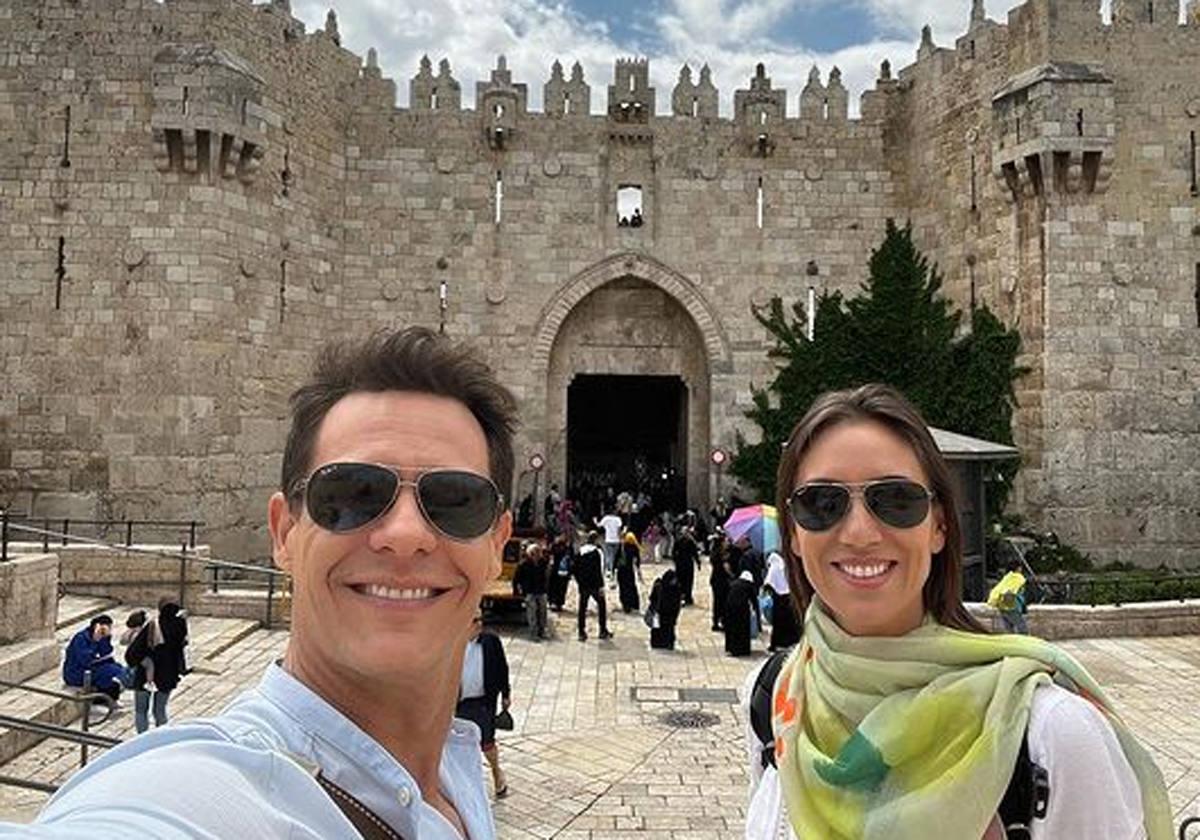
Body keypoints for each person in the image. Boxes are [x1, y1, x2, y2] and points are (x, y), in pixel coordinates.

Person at [10, 327, 515, 837]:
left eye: (456, 500)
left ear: (497, 543)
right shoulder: (205, 797)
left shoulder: (457, 767)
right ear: (284, 531)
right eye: (351, 494)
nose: (405, 534)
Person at [743, 383, 1172, 840]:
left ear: (939, 527)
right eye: (821, 503)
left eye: (896, 500)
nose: (859, 532)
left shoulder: (1053, 735)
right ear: (792, 533)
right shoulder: (777, 698)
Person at [455, 612, 511, 800]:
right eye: (474, 620)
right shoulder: (451, 641)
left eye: (480, 620)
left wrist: (506, 694)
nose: (479, 624)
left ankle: (496, 772)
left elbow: (502, 667)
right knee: (458, 744)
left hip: (483, 701)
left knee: (487, 742)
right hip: (458, 703)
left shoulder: (490, 641)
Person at [62, 615, 126, 702]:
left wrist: (105, 638)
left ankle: (109, 692)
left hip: (90, 667)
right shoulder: (80, 638)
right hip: (76, 672)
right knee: (109, 671)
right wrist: (95, 640)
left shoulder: (101, 636)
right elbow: (85, 660)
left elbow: (106, 652)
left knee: (117, 667)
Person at [573, 531, 612, 642]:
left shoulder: (580, 551)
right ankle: (602, 630)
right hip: (594, 585)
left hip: (583, 584)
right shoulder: (597, 552)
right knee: (602, 605)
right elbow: (598, 570)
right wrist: (601, 586)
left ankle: (581, 631)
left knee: (582, 607)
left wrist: (579, 581)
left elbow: (575, 568)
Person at [763, 550, 800, 651]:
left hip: (778, 601)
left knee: (778, 624)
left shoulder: (774, 568)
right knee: (790, 622)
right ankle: (790, 641)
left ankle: (776, 643)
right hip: (788, 598)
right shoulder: (785, 567)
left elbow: (768, 584)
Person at [513, 542, 550, 640]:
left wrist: (547, 589)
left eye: (538, 552)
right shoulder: (523, 564)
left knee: (543, 613)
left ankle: (542, 631)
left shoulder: (543, 562)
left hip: (541, 590)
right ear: (530, 554)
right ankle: (533, 633)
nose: (537, 555)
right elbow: (516, 579)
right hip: (529, 591)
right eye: (534, 553)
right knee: (532, 613)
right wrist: (516, 591)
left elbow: (546, 577)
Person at [988, 558, 1030, 634]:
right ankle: (1024, 643)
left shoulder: (1006, 577)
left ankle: (1011, 642)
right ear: (1018, 568)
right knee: (1022, 627)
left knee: (1009, 628)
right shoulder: (1019, 578)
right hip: (1012, 605)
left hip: (1002, 605)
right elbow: (1019, 593)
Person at [723, 569, 759, 657]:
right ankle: (742, 649)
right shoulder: (749, 585)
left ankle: (731, 648)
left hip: (730, 608)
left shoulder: (734, 583)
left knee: (732, 628)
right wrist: (756, 612)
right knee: (742, 629)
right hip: (742, 609)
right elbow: (754, 600)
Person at [647, 569, 682, 650]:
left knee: (669, 628)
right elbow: (653, 598)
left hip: (670, 613)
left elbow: (677, 603)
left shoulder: (676, 589)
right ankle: (658, 643)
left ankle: (667, 643)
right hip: (660, 612)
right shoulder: (659, 586)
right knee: (658, 629)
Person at [709, 530, 733, 631]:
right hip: (720, 581)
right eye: (725, 541)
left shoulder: (717, 553)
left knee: (718, 602)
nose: (727, 542)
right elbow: (725, 568)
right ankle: (720, 621)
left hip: (716, 580)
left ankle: (718, 621)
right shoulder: (719, 555)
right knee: (721, 602)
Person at [672, 526, 699, 606]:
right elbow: (674, 552)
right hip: (681, 563)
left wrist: (698, 562)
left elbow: (694, 553)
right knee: (681, 581)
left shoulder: (690, 542)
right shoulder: (679, 541)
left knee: (688, 581)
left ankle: (687, 597)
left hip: (687, 564)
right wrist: (675, 560)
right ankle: (682, 597)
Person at [547, 532, 574, 612]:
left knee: (560, 588)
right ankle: (554, 602)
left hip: (561, 571)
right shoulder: (555, 546)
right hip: (557, 571)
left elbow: (572, 559)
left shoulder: (567, 548)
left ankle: (558, 603)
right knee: (555, 587)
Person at [616, 531, 641, 613]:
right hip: (630, 571)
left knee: (623, 588)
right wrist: (638, 570)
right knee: (631, 587)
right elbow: (637, 560)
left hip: (621, 571)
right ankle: (634, 604)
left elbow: (616, 558)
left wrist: (613, 569)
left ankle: (626, 605)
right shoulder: (635, 547)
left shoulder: (622, 546)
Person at [595, 509, 623, 581]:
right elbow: (619, 530)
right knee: (613, 556)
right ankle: (612, 571)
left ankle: (609, 571)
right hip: (616, 540)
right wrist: (620, 538)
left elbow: (599, 525)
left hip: (608, 540)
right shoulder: (618, 519)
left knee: (609, 556)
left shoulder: (606, 518)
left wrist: (595, 521)